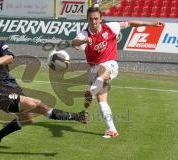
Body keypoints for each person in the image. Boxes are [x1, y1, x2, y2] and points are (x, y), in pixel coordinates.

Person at [0, 21, 89, 146]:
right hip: (2, 96)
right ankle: (77, 116)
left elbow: (10, 58)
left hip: (13, 89)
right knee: (35, 103)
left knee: (29, 119)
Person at [70, 6, 164, 138]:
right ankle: (112, 130)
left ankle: (91, 90)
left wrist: (152, 23)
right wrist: (84, 40)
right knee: (102, 100)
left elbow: (131, 23)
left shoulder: (111, 27)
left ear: (101, 19)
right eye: (91, 19)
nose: (94, 21)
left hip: (110, 64)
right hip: (93, 69)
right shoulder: (84, 34)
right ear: (87, 19)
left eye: (96, 18)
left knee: (104, 68)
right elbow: (73, 42)